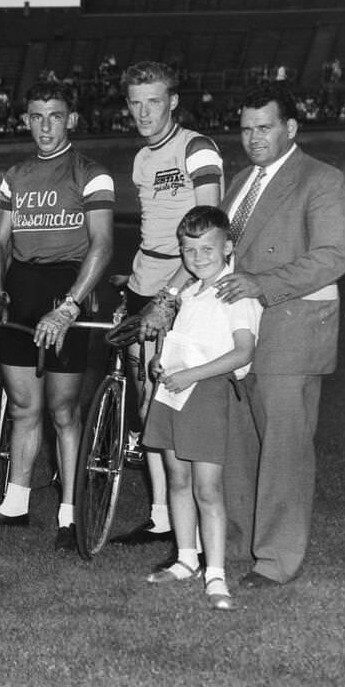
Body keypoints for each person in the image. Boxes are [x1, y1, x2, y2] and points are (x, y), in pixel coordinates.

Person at [216, 82, 345, 588]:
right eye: (247, 128)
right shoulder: (240, 181)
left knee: (284, 451)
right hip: (241, 335)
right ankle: (236, 544)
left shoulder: (321, 179)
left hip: (291, 331)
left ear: (290, 128)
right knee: (241, 445)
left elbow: (333, 256)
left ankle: (276, 561)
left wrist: (261, 285)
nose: (253, 137)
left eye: (265, 127)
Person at [0, 80, 114, 551]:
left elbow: (103, 244)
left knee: (62, 409)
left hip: (66, 290)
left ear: (71, 119)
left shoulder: (90, 173)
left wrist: (71, 306)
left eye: (54, 115)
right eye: (36, 116)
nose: (45, 125)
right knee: (23, 407)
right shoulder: (16, 174)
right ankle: (15, 502)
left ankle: (69, 514)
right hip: (22, 291)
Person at [113, 61, 223, 548]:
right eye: (135, 102)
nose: (144, 112)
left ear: (173, 101)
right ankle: (160, 515)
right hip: (145, 281)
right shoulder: (141, 159)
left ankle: (194, 529)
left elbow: (212, 227)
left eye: (153, 101)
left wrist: (170, 295)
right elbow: (152, 229)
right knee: (146, 401)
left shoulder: (197, 148)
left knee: (178, 398)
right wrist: (135, 286)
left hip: (185, 286)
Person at [143, 207, 261, 611]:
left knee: (207, 488)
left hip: (206, 394)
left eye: (206, 248)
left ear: (227, 247)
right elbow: (179, 345)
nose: (197, 257)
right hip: (174, 392)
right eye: (188, 250)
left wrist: (192, 375)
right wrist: (160, 362)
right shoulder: (190, 293)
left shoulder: (234, 293)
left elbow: (243, 351)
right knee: (177, 479)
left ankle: (216, 574)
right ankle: (185, 558)